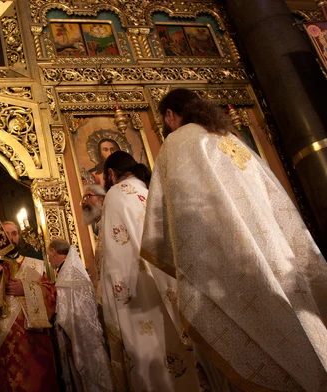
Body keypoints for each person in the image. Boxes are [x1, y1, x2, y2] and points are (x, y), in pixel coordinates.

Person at [141, 88, 327, 391]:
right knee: (299, 325)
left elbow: (178, 214)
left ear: (170, 116)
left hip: (226, 262)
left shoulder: (178, 141)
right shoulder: (229, 138)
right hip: (275, 251)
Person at [101, 150, 200, 391]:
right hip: (168, 284)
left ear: (111, 174)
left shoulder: (115, 195)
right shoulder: (148, 191)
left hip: (138, 293)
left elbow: (115, 257)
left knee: (150, 356)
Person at [0, 166, 58, 392]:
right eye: (6, 232)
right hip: (4, 340)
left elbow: (51, 295)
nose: (11, 237)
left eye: (15, 233)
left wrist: (26, 288)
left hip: (34, 340)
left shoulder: (35, 264)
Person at [49, 239, 114, 392]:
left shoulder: (66, 275)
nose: (49, 258)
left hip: (77, 336)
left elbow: (64, 312)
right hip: (89, 333)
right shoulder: (74, 270)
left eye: (48, 254)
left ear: (53, 251)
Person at [80, 184, 106, 300]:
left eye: (88, 196)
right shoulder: (100, 228)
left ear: (102, 199)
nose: (84, 202)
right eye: (83, 199)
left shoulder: (112, 224)